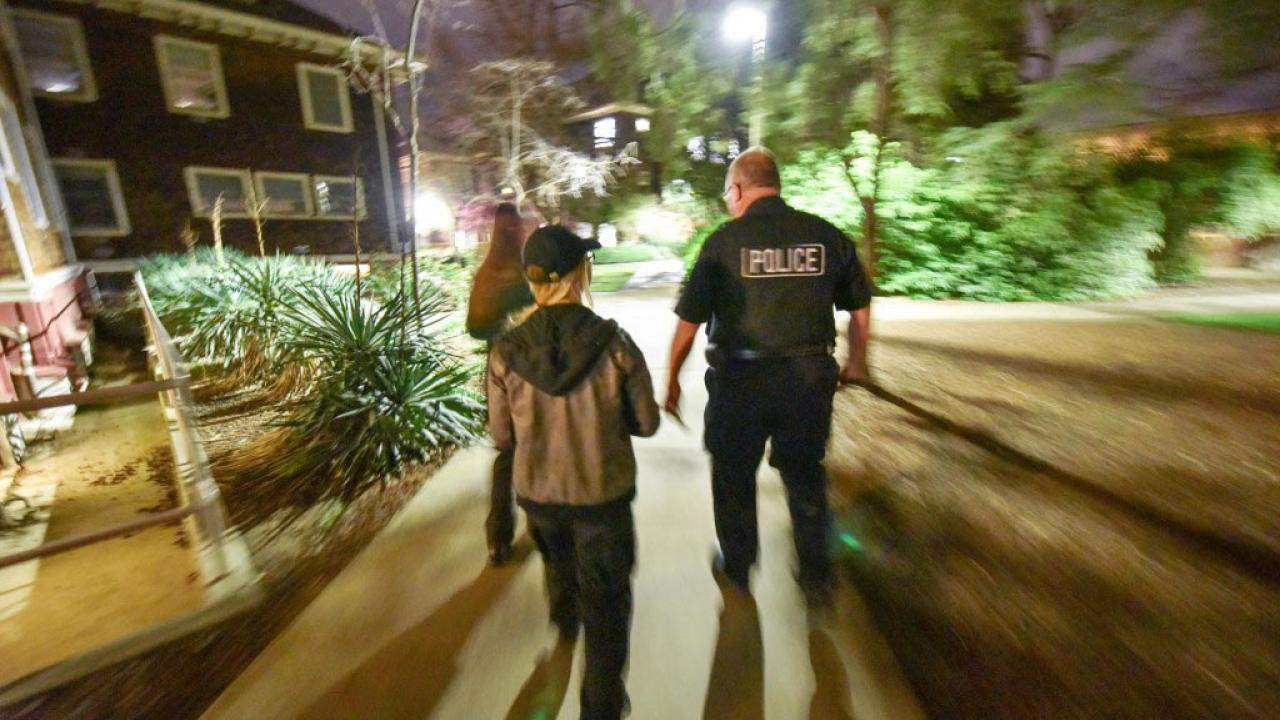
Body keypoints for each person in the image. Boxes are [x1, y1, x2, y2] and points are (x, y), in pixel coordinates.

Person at [664, 147, 873, 607]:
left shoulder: (722, 244)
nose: (728, 203)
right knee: (804, 474)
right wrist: (858, 360)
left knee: (734, 473)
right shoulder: (826, 236)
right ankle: (817, 577)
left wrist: (672, 378)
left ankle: (738, 567)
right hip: (807, 378)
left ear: (738, 189)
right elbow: (858, 303)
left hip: (741, 381)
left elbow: (689, 321)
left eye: (727, 195)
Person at [488, 225, 660, 720]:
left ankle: (564, 620)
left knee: (558, 562)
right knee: (607, 605)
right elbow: (646, 422)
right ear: (580, 274)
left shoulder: (505, 351)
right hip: (601, 498)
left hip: (539, 496)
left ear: (534, 280)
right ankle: (601, 706)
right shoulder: (615, 343)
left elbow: (502, 437)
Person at [466, 203, 535, 566]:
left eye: (516, 228)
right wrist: (503, 305)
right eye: (507, 229)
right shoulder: (490, 274)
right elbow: (475, 327)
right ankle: (501, 535)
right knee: (509, 452)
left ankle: (530, 526)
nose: (513, 234)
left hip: (534, 371)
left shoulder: (529, 267)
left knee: (522, 450)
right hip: (506, 373)